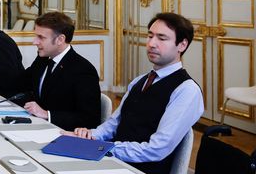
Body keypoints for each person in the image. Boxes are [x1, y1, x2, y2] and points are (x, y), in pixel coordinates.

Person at [68, 12, 203, 174]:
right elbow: (113, 125)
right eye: (150, 36)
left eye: (161, 38)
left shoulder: (187, 90)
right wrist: (89, 135)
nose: (151, 43)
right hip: (113, 161)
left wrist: (106, 148)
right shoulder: (140, 80)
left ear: (182, 45)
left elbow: (157, 149)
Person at [0, 11, 101, 131]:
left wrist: (47, 114)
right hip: (35, 127)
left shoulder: (83, 70)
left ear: (60, 39)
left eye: (41, 37)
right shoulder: (43, 59)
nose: (34, 42)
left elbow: (90, 119)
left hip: (62, 134)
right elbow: (19, 84)